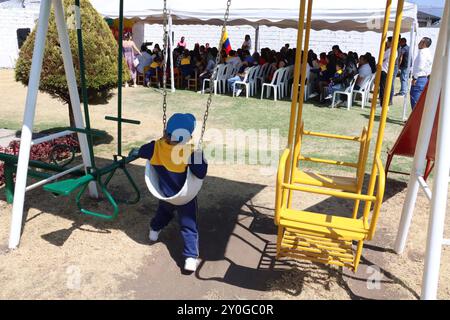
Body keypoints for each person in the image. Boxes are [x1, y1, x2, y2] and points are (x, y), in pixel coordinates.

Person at [136, 113, 208, 272]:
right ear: (188, 136)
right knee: (189, 225)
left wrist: (152, 145)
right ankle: (190, 258)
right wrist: (199, 156)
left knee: (163, 213)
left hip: (165, 194)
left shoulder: (155, 147)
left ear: (166, 131)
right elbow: (201, 173)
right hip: (184, 197)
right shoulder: (189, 152)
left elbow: (141, 151)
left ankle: (154, 231)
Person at [410, 37, 433, 109]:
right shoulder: (428, 52)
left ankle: (415, 119)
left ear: (424, 44)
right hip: (424, 78)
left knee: (415, 99)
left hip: (419, 79)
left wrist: (415, 78)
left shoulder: (422, 52)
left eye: (420, 42)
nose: (418, 43)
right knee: (419, 100)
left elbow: (420, 66)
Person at [379, 36, 393, 106]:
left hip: (384, 70)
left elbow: (382, 58)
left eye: (388, 41)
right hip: (386, 70)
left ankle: (383, 104)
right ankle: (383, 104)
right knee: (383, 88)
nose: (386, 43)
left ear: (391, 42)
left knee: (383, 89)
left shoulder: (390, 50)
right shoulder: (392, 50)